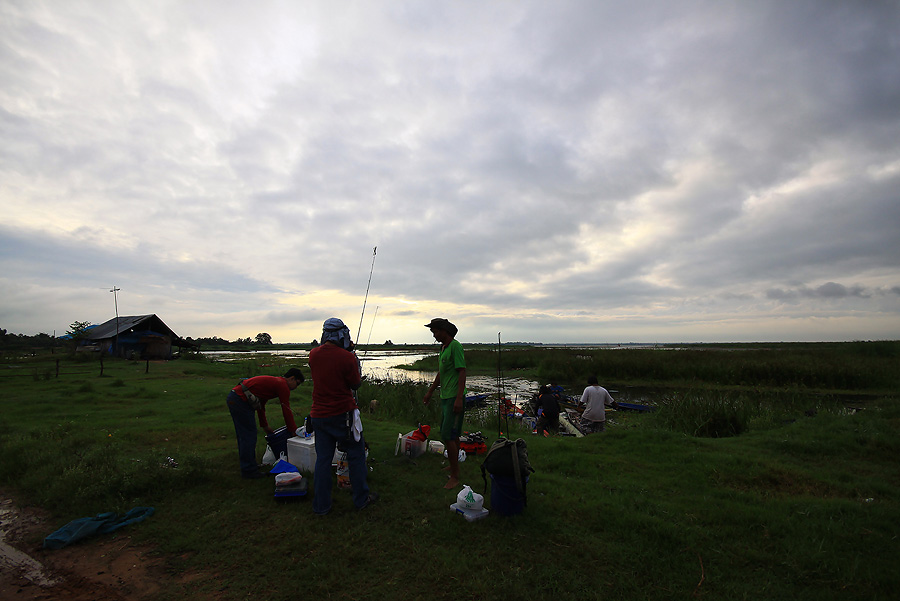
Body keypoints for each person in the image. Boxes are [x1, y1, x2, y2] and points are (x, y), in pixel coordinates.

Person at [308, 318, 377, 514]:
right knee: (356, 455)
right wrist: (352, 358)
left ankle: (321, 506)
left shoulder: (313, 355)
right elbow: (355, 384)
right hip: (343, 415)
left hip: (318, 415)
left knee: (323, 460)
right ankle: (361, 499)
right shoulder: (347, 357)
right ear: (342, 334)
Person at [226, 367, 304, 479]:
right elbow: (286, 409)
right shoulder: (282, 385)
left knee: (245, 436)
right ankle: (249, 471)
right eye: (297, 384)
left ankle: (249, 465)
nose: (295, 388)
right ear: (292, 378)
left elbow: (261, 404)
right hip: (240, 400)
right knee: (248, 436)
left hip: (237, 398)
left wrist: (264, 425)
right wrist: (293, 430)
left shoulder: (275, 383)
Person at [423, 318, 466, 490]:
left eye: (435, 331)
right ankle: (454, 464)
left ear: (444, 331)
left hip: (454, 397)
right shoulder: (443, 349)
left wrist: (459, 398)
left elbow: (462, 372)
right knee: (452, 434)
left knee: (447, 435)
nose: (434, 335)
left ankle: (455, 476)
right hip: (445, 397)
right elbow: (441, 374)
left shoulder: (455, 346)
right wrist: (430, 391)